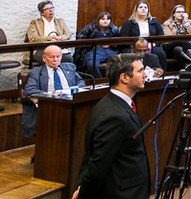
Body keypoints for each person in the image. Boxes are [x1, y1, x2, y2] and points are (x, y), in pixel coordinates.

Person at [72, 54, 149, 199]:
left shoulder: (113, 103)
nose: (145, 74)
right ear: (124, 78)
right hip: (121, 193)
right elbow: (98, 163)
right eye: (140, 71)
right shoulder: (114, 116)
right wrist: (83, 193)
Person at [22, 45, 85, 138]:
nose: (55, 59)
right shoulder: (35, 72)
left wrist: (74, 90)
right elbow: (29, 89)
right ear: (44, 58)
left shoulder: (69, 68)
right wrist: (52, 96)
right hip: (51, 105)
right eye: (52, 57)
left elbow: (80, 82)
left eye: (58, 56)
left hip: (71, 102)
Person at [118, 0, 167, 70]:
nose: (143, 9)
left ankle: (161, 74)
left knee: (160, 53)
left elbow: (161, 36)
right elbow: (123, 38)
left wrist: (154, 44)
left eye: (145, 7)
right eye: (140, 7)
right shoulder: (129, 22)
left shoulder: (154, 22)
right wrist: (135, 45)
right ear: (136, 10)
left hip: (151, 46)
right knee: (128, 53)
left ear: (148, 10)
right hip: (133, 47)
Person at [27, 0, 73, 65]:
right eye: (47, 9)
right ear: (41, 12)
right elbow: (33, 38)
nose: (51, 10)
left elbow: (68, 34)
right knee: (49, 58)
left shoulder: (60, 21)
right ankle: (50, 74)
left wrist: (60, 37)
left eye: (52, 8)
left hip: (58, 48)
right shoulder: (35, 23)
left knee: (68, 58)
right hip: (41, 49)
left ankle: (61, 74)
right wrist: (51, 38)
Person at [77, 11, 120, 78]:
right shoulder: (90, 28)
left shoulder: (114, 29)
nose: (105, 21)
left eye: (108, 19)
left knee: (120, 62)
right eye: (103, 19)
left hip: (110, 50)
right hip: (94, 50)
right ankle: (99, 82)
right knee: (92, 64)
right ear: (98, 20)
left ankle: (113, 81)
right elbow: (80, 38)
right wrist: (92, 44)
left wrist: (111, 45)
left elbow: (119, 41)